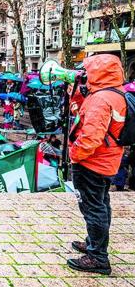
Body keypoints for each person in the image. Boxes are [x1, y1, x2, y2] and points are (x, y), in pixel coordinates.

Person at [67, 54, 126, 276]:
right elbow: (81, 115)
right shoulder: (114, 94)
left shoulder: (101, 100)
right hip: (107, 161)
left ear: (98, 72)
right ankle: (94, 243)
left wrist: (75, 154)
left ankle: (97, 257)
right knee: (101, 205)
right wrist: (77, 95)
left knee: (93, 209)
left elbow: (90, 136)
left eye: (88, 69)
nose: (85, 73)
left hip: (92, 162)